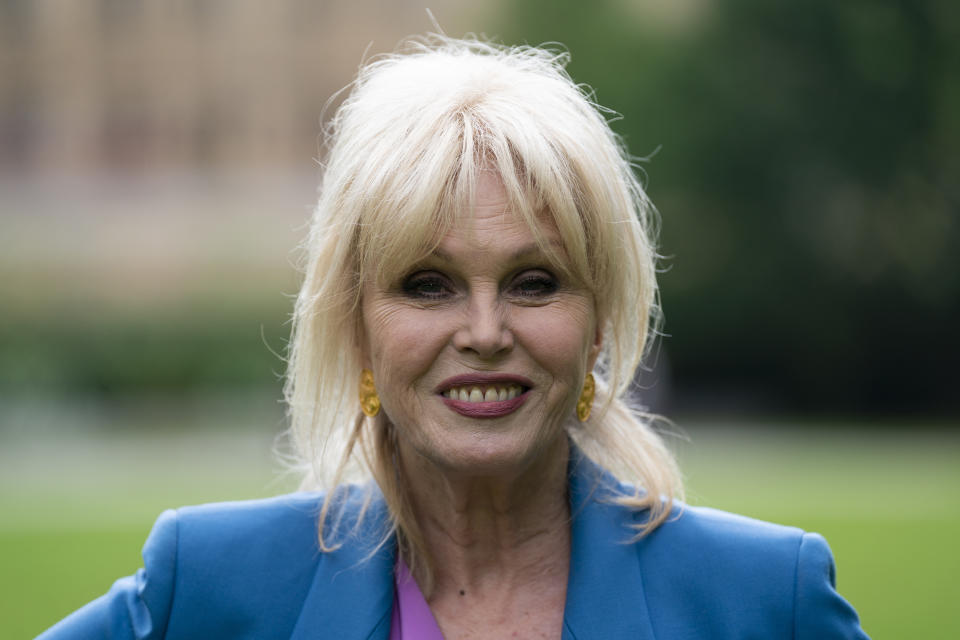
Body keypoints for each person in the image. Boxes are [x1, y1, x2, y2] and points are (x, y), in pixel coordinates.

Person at [38, 35, 868, 639]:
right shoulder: (211, 584)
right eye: (427, 285)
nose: (483, 331)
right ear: (355, 325)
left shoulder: (767, 599)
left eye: (534, 282)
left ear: (602, 322)